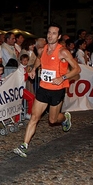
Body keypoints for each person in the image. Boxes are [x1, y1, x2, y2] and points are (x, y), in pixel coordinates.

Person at [12, 23, 81, 158]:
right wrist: (33, 69)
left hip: (57, 90)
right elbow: (39, 60)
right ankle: (24, 145)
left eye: (54, 33)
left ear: (59, 36)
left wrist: (63, 77)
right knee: (34, 117)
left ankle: (65, 118)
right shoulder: (43, 49)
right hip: (43, 88)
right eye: (49, 33)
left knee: (53, 120)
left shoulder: (63, 52)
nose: (50, 35)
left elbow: (77, 69)